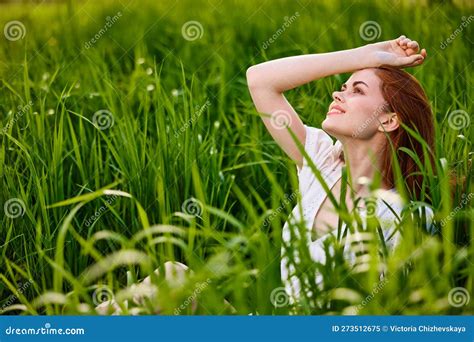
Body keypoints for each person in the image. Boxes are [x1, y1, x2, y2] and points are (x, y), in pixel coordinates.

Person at [246, 35, 435, 301]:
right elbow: (259, 80)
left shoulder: (403, 217)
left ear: (390, 119)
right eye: (343, 87)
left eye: (357, 90)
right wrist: (366, 54)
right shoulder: (323, 163)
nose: (337, 93)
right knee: (172, 273)